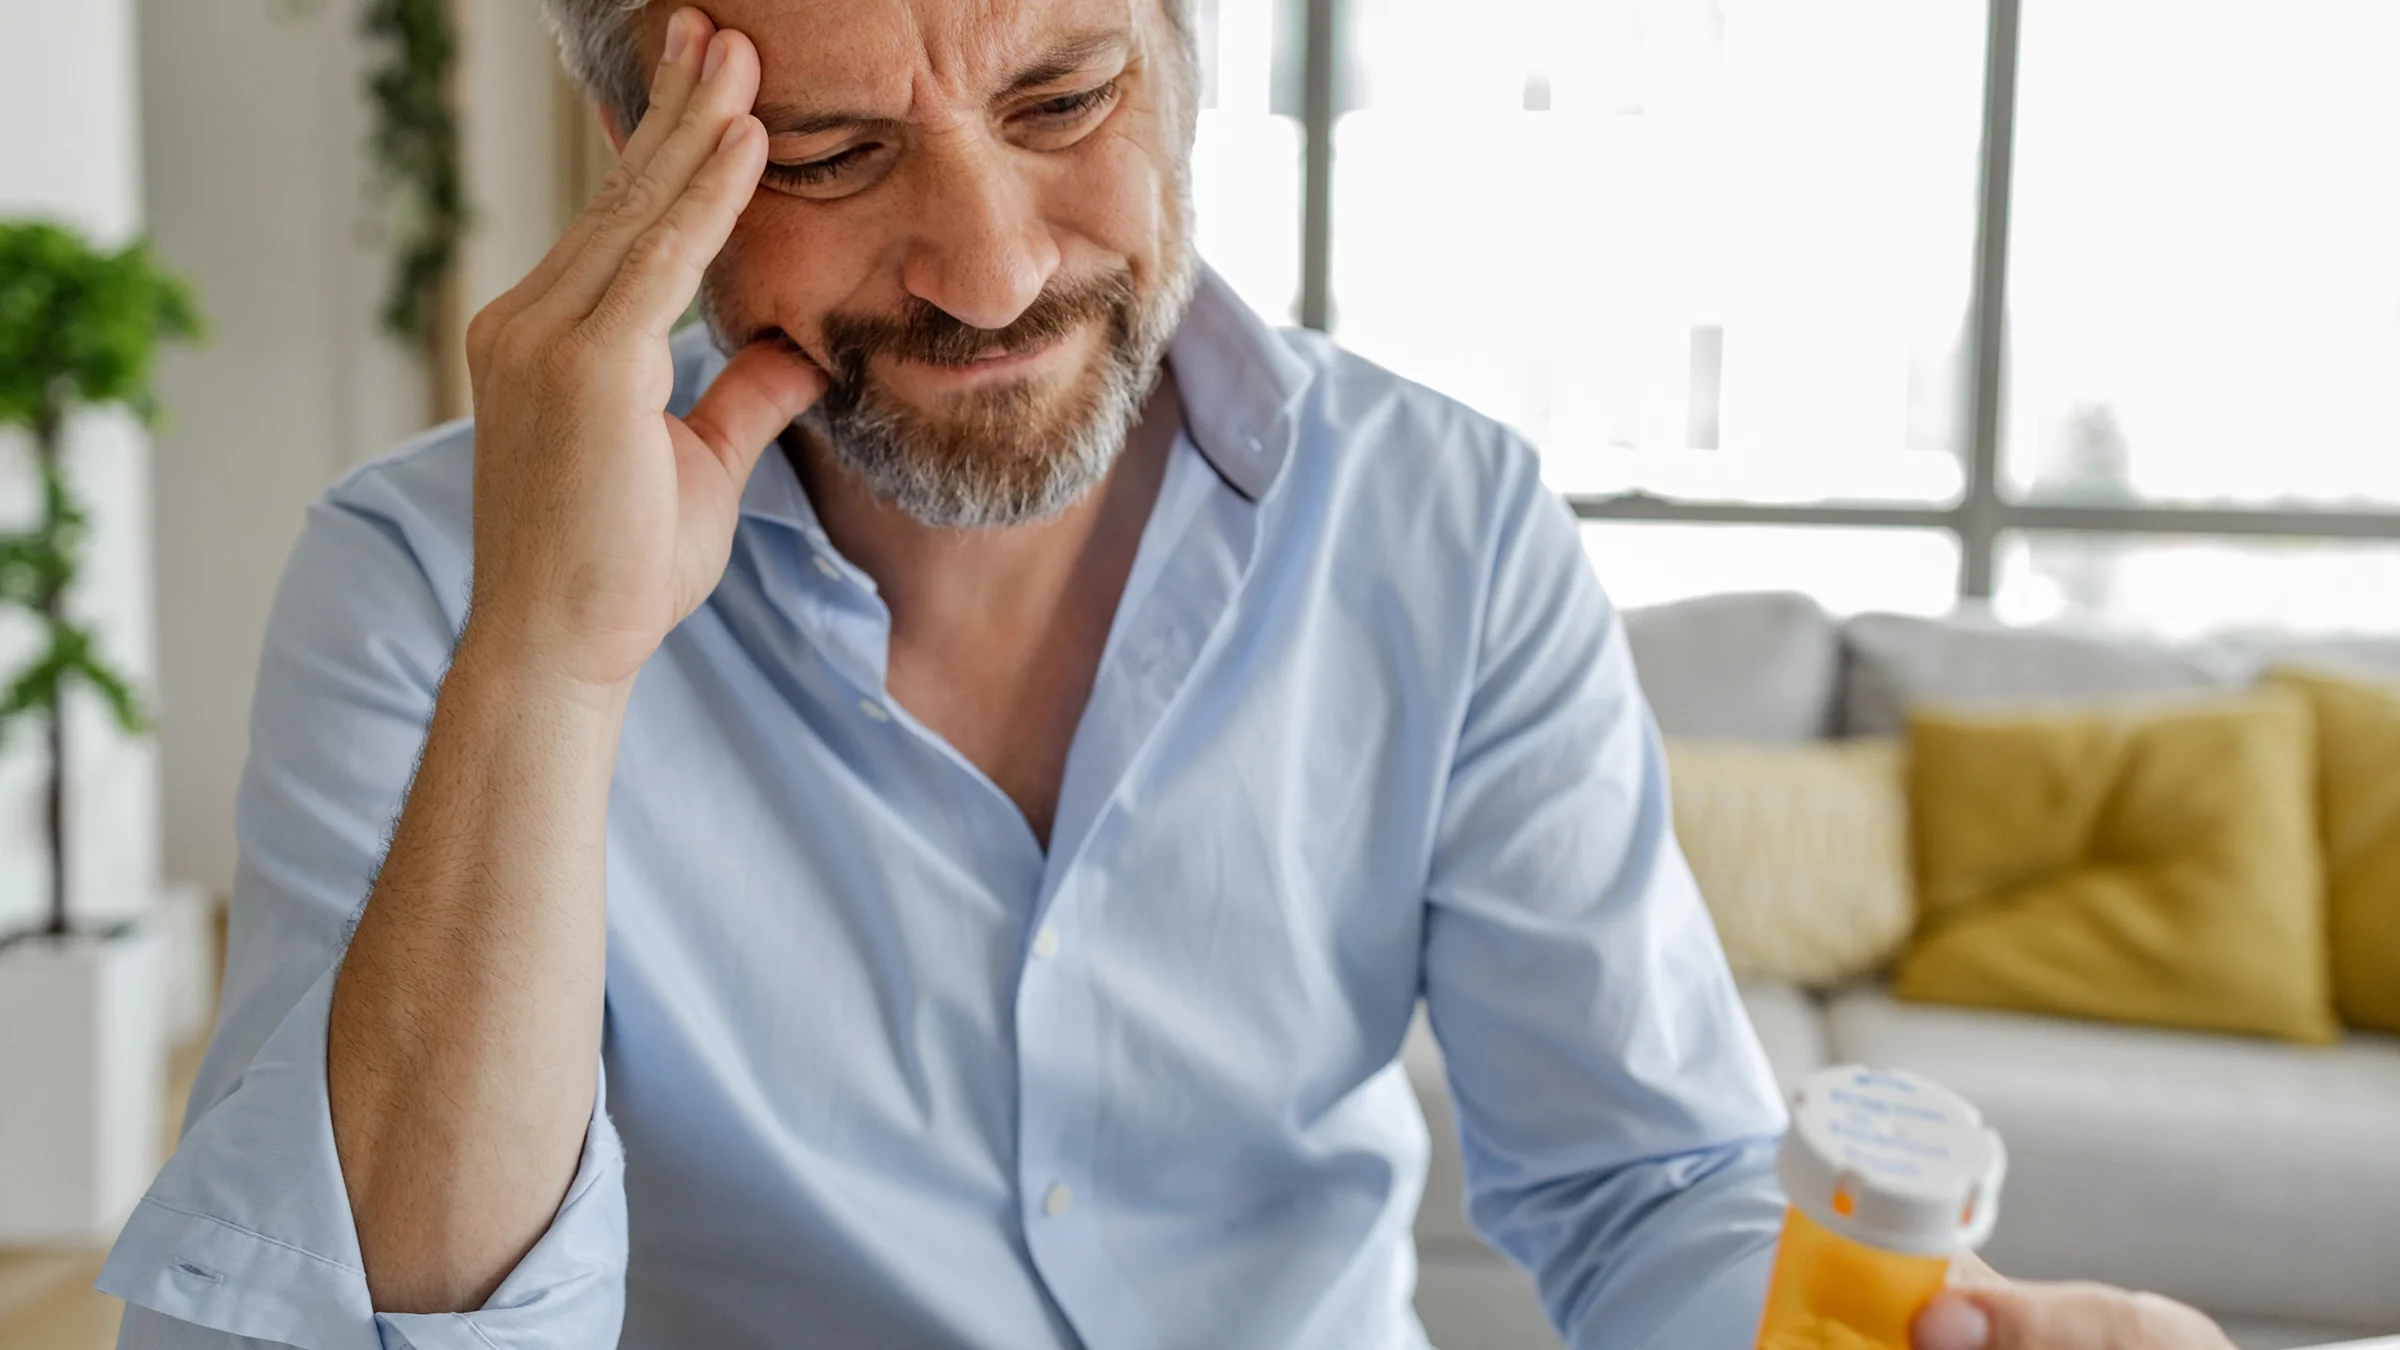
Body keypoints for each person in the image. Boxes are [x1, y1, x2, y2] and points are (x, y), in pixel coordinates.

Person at [100, 2, 2241, 1347]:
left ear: (1192, 53)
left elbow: (1640, 1190)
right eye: (834, 155)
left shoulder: (1448, 527)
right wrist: (554, 674)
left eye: (1066, 94)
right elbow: (364, 1329)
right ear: (646, 176)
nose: (993, 268)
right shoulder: (422, 588)